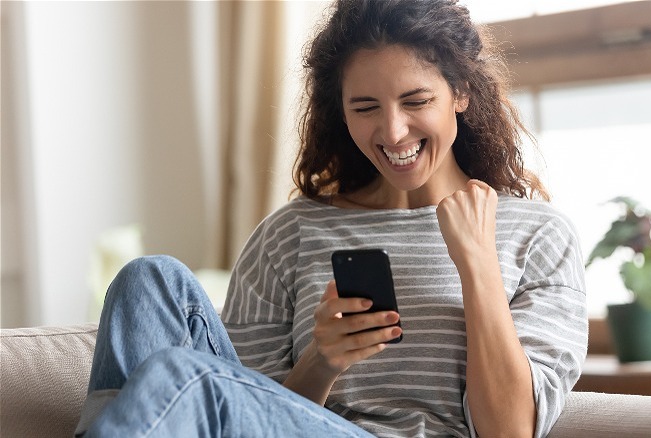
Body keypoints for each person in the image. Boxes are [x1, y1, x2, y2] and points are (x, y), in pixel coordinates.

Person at [76, 0, 588, 437]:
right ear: (341, 112)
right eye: (365, 107)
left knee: (178, 376)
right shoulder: (290, 233)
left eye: (416, 100)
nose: (392, 131)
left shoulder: (538, 236)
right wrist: (321, 362)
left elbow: (510, 430)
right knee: (148, 280)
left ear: (461, 93)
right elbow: (246, 407)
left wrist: (477, 262)